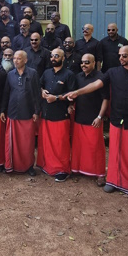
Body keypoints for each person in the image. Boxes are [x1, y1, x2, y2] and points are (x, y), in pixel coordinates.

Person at [66, 46, 128, 198]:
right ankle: (113, 181)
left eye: (125, 56)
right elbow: (95, 85)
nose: (121, 58)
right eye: (119, 55)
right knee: (114, 153)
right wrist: (77, 92)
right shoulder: (112, 72)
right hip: (116, 118)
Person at [70, 54, 109, 186]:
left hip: (94, 118)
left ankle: (100, 174)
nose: (84, 65)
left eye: (87, 62)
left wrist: (100, 117)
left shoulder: (100, 77)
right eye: (82, 62)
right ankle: (77, 169)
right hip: (79, 116)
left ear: (94, 63)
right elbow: (75, 95)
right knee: (79, 147)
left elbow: (106, 99)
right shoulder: (78, 77)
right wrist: (71, 105)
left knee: (95, 147)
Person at [37, 48, 76, 182]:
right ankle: (47, 166)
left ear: (63, 58)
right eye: (52, 56)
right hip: (46, 113)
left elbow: (72, 94)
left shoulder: (69, 75)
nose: (53, 58)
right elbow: (39, 85)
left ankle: (62, 170)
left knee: (60, 144)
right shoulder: (46, 72)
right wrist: (42, 91)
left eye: (56, 56)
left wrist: (57, 98)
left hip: (61, 115)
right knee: (46, 143)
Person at [0, 50, 41, 176]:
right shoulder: (10, 74)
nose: (16, 61)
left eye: (19, 58)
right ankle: (11, 165)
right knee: (12, 142)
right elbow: (6, 93)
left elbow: (37, 94)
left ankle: (29, 166)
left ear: (25, 60)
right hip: (13, 112)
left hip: (28, 112)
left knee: (27, 143)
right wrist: (2, 110)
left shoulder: (33, 73)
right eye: (14, 58)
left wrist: (36, 111)